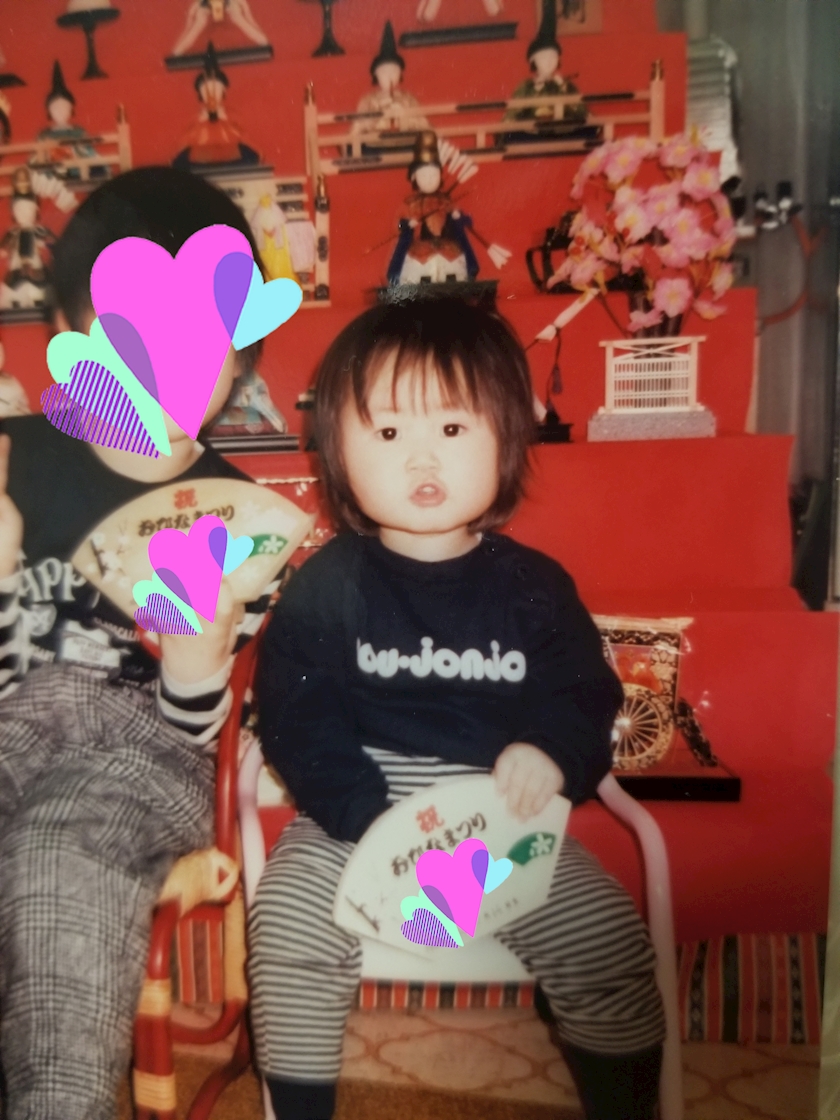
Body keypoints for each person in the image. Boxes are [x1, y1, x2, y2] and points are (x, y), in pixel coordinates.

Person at [248, 299, 666, 1120]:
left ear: (506, 439)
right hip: (356, 808)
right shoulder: (327, 584)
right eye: (388, 431)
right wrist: (366, 817)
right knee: (289, 926)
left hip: (497, 810)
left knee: (606, 938)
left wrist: (550, 751)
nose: (421, 457)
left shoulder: (534, 586)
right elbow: (298, 714)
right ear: (338, 453)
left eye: (451, 427)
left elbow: (585, 692)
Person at [0, 165, 277, 1120]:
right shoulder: (14, 457)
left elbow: (204, 729)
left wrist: (196, 668)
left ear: (239, 358)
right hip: (14, 714)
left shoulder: (239, 513)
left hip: (147, 745)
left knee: (58, 847)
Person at [172, 42, 259, 170]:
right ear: (200, 94)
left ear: (224, 91)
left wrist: (224, 119)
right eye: (205, 90)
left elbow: (243, 136)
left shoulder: (231, 115)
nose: (212, 94)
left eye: (217, 89)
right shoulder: (196, 119)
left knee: (249, 155)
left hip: (231, 153)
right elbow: (185, 142)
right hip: (200, 155)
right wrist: (201, 122)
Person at [350, 21, 428, 157]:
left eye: (394, 72)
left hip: (405, 143)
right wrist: (378, 115)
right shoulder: (368, 100)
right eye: (384, 72)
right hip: (375, 144)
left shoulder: (408, 98)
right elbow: (356, 129)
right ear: (376, 75)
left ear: (400, 74)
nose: (389, 76)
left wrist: (405, 115)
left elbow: (425, 126)